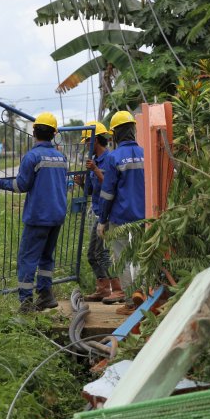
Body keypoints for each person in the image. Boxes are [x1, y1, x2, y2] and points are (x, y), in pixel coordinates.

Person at [0, 112, 68, 313]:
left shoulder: (32, 156)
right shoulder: (61, 157)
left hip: (39, 216)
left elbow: (21, 185)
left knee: (28, 259)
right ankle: (46, 294)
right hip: (57, 214)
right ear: (54, 134)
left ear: (34, 132)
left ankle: (26, 302)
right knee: (46, 257)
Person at [97, 110, 145, 313]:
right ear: (133, 130)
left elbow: (107, 193)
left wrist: (102, 219)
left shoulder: (114, 157)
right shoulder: (145, 152)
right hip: (145, 215)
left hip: (120, 217)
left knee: (123, 258)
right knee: (143, 255)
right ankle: (143, 292)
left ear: (115, 134)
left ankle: (130, 302)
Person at [73, 121, 124, 302]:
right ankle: (105, 288)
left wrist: (95, 170)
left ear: (95, 141)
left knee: (97, 254)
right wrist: (81, 183)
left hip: (106, 213)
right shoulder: (94, 162)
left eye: (87, 142)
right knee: (96, 254)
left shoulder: (108, 160)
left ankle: (117, 288)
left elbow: (110, 186)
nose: (86, 146)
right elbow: (92, 190)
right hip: (97, 210)